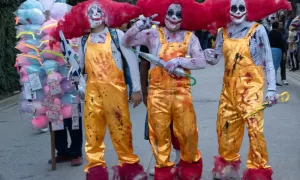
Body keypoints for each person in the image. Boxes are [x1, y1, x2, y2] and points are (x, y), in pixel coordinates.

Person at [50, 0, 147, 179]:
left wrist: (136, 89)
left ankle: (129, 166)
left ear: (106, 14)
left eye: (98, 10)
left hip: (116, 93)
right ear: (84, 17)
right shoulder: (84, 40)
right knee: (93, 133)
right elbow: (79, 65)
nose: (95, 14)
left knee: (121, 130)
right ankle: (95, 170)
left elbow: (132, 61)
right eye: (90, 11)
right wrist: (76, 78)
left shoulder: (117, 35)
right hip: (92, 93)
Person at [123, 0, 217, 179]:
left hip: (182, 93)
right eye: (170, 13)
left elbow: (201, 61)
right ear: (163, 14)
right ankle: (163, 168)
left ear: (184, 18)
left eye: (178, 15)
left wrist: (180, 61)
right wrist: (140, 24)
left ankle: (189, 165)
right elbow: (126, 41)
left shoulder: (190, 37)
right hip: (157, 94)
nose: (174, 17)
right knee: (159, 134)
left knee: (188, 132)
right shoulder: (152, 34)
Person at [204, 0, 291, 179]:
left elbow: (267, 60)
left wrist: (271, 89)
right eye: (233, 8)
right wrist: (208, 55)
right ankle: (228, 166)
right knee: (225, 128)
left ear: (248, 9)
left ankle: (258, 170)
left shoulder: (257, 30)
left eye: (241, 7)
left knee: (254, 130)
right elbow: (215, 58)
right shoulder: (223, 31)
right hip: (228, 90)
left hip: (251, 89)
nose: (237, 11)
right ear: (226, 10)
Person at [138, 44, 181, 176]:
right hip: (156, 93)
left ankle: (179, 161)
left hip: (179, 91)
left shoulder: (184, 35)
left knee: (179, 129)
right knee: (157, 130)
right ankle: (162, 162)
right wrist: (144, 91)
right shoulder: (149, 37)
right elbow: (144, 64)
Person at [269, 21, 285, 87]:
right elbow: (282, 43)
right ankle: (274, 82)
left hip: (270, 49)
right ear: (277, 26)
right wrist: (284, 52)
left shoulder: (269, 33)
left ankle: (271, 81)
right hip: (278, 50)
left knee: (271, 66)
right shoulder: (279, 33)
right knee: (275, 66)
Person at [278, 20, 289, 85]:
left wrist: (279, 38)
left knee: (283, 65)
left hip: (283, 50)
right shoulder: (276, 30)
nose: (280, 26)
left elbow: (284, 38)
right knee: (274, 66)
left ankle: (283, 78)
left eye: (281, 24)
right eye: (279, 24)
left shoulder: (285, 31)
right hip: (276, 50)